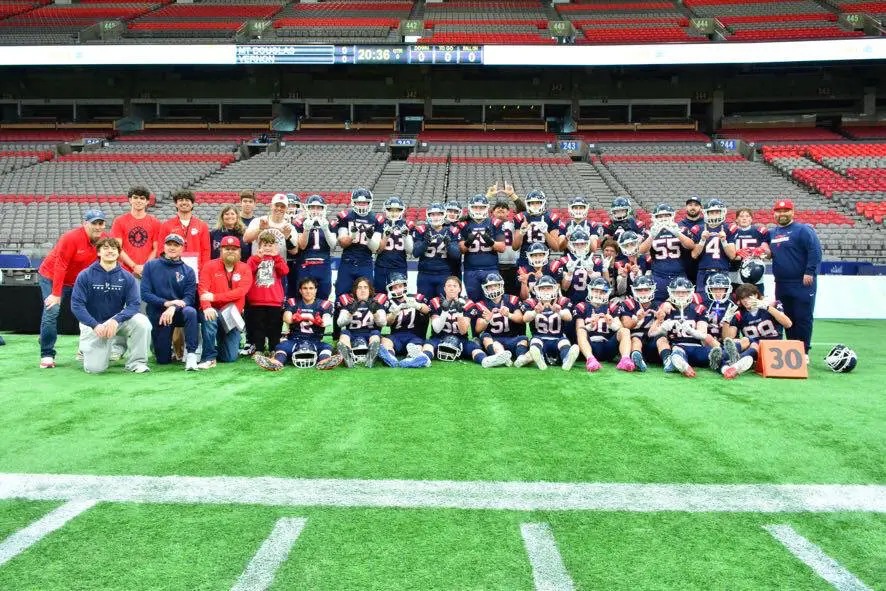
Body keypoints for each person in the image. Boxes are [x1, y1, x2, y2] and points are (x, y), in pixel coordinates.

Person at [36, 209, 108, 368]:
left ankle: (85, 349)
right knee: (52, 310)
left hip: (78, 280)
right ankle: (47, 354)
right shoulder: (70, 238)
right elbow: (60, 266)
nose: (97, 227)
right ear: (85, 224)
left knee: (93, 311)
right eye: (93, 223)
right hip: (51, 276)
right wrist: (56, 294)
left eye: (100, 223)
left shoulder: (104, 239)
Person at [70, 237, 151, 374]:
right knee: (95, 369)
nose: (110, 251)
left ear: (118, 253)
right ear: (98, 253)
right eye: (106, 248)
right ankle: (91, 349)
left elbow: (134, 304)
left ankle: (137, 363)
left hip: (116, 321)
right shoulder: (85, 275)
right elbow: (77, 305)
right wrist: (94, 325)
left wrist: (116, 320)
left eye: (114, 248)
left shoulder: (127, 277)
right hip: (94, 323)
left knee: (142, 322)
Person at [768, 198, 821, 356]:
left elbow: (815, 251)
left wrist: (809, 271)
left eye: (786, 211)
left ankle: (804, 351)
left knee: (803, 317)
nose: (782, 214)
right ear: (774, 214)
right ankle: (792, 350)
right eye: (779, 211)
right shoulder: (773, 233)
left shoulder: (802, 230)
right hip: (782, 283)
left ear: (793, 212)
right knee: (787, 317)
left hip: (802, 282)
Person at [254, 277, 340, 371]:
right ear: (300, 290)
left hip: (315, 340)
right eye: (305, 288)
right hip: (295, 340)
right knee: (281, 347)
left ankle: (324, 362)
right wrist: (293, 318)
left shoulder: (324, 304)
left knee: (327, 347)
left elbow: (326, 321)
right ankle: (276, 363)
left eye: (311, 288)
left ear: (315, 290)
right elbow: (287, 318)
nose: (308, 291)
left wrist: (320, 321)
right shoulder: (293, 302)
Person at [141, 234, 200, 370]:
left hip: (179, 312)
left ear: (182, 248)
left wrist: (173, 307)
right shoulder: (150, 266)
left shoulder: (188, 271)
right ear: (164, 246)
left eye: (176, 245)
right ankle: (165, 350)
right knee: (163, 360)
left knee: (191, 312)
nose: (172, 248)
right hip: (158, 312)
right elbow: (145, 294)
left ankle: (191, 354)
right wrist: (166, 303)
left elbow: (189, 298)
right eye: (169, 244)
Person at [197, 236, 252, 369]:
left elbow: (240, 292)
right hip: (214, 309)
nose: (230, 251)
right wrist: (206, 306)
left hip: (232, 314)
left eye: (234, 249)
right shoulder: (209, 266)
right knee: (210, 317)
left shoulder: (245, 268)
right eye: (227, 249)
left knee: (229, 358)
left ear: (239, 251)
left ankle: (218, 346)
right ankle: (209, 357)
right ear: (220, 250)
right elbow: (203, 289)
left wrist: (214, 297)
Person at [721, 282, 793, 378]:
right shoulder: (739, 313)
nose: (746, 301)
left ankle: (733, 363)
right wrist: (726, 321)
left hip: (774, 347)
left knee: (754, 343)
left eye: (749, 297)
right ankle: (724, 357)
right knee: (744, 340)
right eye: (743, 298)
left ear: (756, 295)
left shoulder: (772, 305)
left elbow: (788, 324)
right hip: (752, 347)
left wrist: (767, 307)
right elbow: (727, 338)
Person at [574, 277, 635, 372]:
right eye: (595, 291)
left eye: (602, 292)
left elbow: (620, 328)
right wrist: (590, 325)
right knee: (581, 331)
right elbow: (579, 329)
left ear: (607, 293)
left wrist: (611, 324)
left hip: (607, 346)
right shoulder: (582, 306)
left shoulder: (611, 306)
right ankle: (590, 359)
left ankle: (625, 359)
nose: (598, 294)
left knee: (625, 331)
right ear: (590, 290)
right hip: (590, 346)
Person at [520, 275, 580, 371]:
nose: (546, 291)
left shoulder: (562, 300)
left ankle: (567, 360)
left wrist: (559, 311)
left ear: (555, 289)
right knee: (535, 344)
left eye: (548, 288)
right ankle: (540, 359)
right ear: (537, 290)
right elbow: (525, 318)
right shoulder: (531, 302)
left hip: (558, 338)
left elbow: (568, 317)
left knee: (564, 343)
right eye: (542, 288)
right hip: (539, 338)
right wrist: (535, 312)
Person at [640, 203, 696, 304]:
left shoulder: (682, 229)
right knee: (657, 304)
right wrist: (652, 236)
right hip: (659, 275)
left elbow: (691, 246)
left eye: (666, 215)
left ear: (672, 216)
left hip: (679, 275)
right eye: (660, 216)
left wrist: (677, 233)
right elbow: (641, 251)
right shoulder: (650, 232)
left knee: (682, 304)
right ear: (655, 217)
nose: (663, 218)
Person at [375, 272, 433, 368]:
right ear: (390, 289)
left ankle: (412, 358)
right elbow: (387, 323)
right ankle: (391, 357)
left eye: (400, 286)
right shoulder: (389, 303)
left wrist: (417, 305)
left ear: (405, 286)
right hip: (396, 336)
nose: (398, 290)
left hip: (414, 336)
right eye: (395, 287)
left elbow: (427, 311)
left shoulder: (417, 298)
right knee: (385, 340)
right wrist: (393, 314)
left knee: (415, 346)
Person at [245, 230, 289, 355]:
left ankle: (273, 349)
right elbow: (247, 271)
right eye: (265, 245)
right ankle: (259, 349)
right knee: (258, 327)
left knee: (274, 327)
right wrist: (257, 258)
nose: (268, 248)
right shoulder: (253, 259)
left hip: (274, 300)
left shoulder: (278, 259)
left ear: (275, 247)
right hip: (257, 300)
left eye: (270, 245)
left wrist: (276, 257)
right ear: (259, 247)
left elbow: (284, 271)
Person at [459, 194, 507, 302]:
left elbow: (502, 247)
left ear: (487, 208)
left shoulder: (496, 223)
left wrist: (490, 241)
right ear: (470, 207)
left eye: (481, 207)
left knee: (493, 301)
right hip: (471, 270)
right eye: (475, 207)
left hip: (491, 268)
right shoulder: (464, 224)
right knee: (474, 302)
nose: (478, 210)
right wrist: (468, 242)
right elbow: (461, 249)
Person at [413, 202, 461, 300]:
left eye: (438, 214)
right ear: (428, 215)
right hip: (425, 274)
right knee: (423, 305)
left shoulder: (452, 230)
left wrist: (449, 245)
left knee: (444, 306)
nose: (436, 217)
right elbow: (415, 253)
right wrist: (425, 243)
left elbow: (456, 255)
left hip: (445, 274)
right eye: (432, 214)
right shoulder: (421, 230)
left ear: (444, 215)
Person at [111, 186, 160, 280]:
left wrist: (145, 267)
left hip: (147, 271)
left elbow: (156, 248)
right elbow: (117, 247)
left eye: (142, 198)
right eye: (135, 197)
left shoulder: (155, 222)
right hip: (124, 271)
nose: (139, 200)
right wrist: (134, 266)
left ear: (147, 202)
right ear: (130, 200)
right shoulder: (119, 221)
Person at [294, 194, 337, 301]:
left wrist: (326, 229)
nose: (315, 210)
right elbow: (302, 246)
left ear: (323, 209)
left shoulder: (330, 223)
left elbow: (333, 245)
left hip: (323, 265)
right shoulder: (300, 223)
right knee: (303, 298)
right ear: (307, 208)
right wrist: (306, 229)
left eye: (318, 207)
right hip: (305, 264)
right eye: (312, 207)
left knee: (323, 297)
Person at [336, 276, 386, 368]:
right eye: (359, 287)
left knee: (376, 334)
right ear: (355, 290)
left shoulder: (376, 304)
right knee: (344, 334)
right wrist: (350, 313)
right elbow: (340, 323)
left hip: (370, 334)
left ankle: (371, 357)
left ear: (370, 290)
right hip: (352, 334)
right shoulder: (349, 304)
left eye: (365, 287)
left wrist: (375, 312)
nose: (362, 290)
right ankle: (348, 358)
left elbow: (382, 323)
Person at [689, 198, 736, 293]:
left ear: (722, 212)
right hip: (704, 271)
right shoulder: (698, 228)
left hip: (722, 270)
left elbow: (732, 255)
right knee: (703, 300)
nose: (714, 215)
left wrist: (724, 241)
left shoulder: (729, 228)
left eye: (717, 212)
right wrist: (702, 240)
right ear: (706, 213)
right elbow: (694, 255)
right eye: (711, 212)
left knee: (721, 300)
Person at [242, 193, 298, 273]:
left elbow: (294, 251)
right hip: (258, 267)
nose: (279, 208)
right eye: (276, 205)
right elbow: (246, 239)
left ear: (286, 209)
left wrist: (287, 237)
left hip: (277, 270)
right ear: (271, 206)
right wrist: (260, 229)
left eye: (282, 206)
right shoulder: (258, 221)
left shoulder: (289, 227)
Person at [159, 189, 211, 273]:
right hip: (172, 268)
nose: (184, 202)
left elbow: (206, 251)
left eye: (187, 200)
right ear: (176, 204)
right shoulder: (166, 225)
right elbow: (161, 250)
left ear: (192, 204)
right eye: (180, 200)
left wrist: (203, 270)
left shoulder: (202, 225)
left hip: (196, 270)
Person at [373, 196, 414, 294]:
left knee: (398, 296)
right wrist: (385, 236)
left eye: (397, 210)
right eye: (390, 210)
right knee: (379, 295)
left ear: (402, 211)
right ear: (385, 210)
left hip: (399, 266)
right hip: (382, 265)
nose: (394, 213)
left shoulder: (408, 224)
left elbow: (410, 250)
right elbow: (376, 249)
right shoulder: (379, 223)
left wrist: (406, 236)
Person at [513, 189, 563, 269]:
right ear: (527, 204)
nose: (535, 205)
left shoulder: (551, 217)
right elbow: (515, 247)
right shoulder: (521, 217)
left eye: (538, 203)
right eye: (532, 203)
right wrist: (521, 232)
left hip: (543, 260)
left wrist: (545, 232)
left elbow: (556, 248)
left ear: (543, 203)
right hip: (525, 259)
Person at [729, 208, 770, 293]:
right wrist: (736, 252)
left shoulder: (759, 231)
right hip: (735, 269)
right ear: (736, 219)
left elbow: (766, 249)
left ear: (751, 219)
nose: (744, 218)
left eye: (747, 216)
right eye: (741, 216)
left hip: (754, 270)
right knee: (735, 298)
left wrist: (761, 250)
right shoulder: (731, 232)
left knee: (757, 297)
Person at [491, 199, 522, 297]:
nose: (500, 209)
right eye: (497, 207)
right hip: (495, 265)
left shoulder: (514, 223)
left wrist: (512, 196)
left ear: (509, 212)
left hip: (512, 264)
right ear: (492, 212)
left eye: (504, 207)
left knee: (513, 293)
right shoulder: (489, 224)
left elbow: (523, 210)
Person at [679, 196, 705, 285]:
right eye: (690, 205)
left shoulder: (707, 224)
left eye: (696, 205)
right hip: (684, 265)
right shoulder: (679, 225)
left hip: (702, 264)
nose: (693, 207)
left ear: (701, 208)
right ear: (686, 207)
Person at [238, 190, 257, 259]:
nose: (247, 204)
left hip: (253, 260)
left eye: (250, 201)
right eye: (245, 201)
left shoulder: (257, 222)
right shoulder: (234, 220)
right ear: (240, 203)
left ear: (254, 204)